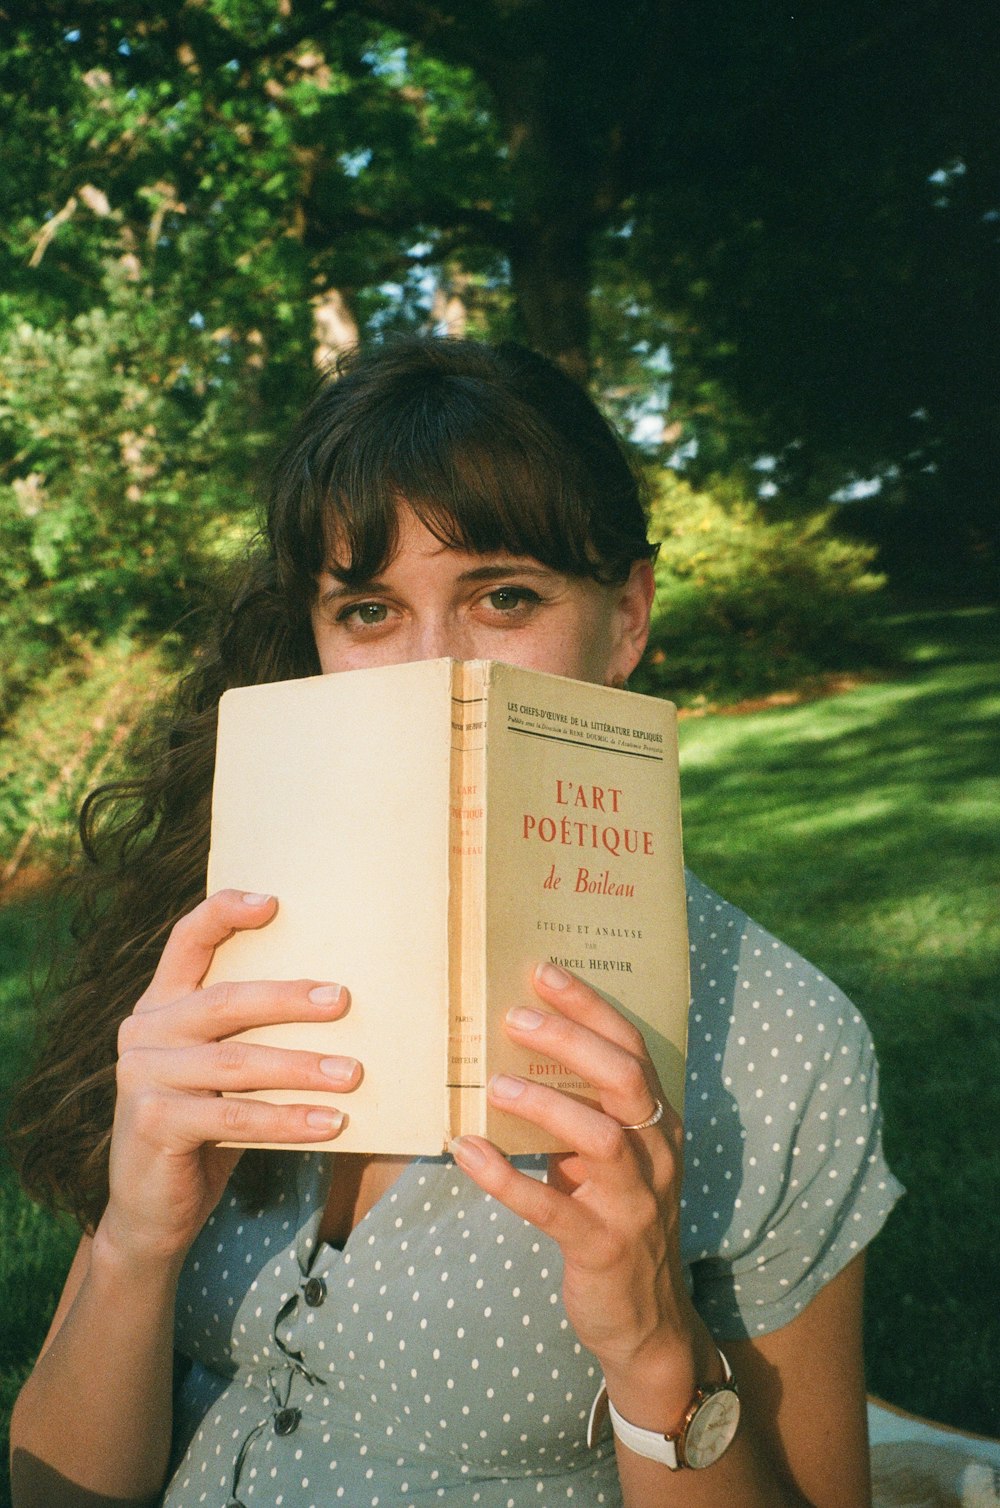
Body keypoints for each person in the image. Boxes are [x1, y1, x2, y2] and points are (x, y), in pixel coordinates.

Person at [7, 336, 903, 1508]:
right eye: (370, 609)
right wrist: (134, 1238)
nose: (432, 667)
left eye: (505, 595)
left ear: (626, 616)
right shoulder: (228, 944)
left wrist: (652, 1349)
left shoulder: (784, 1043)